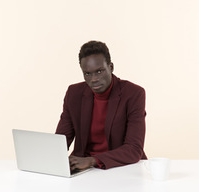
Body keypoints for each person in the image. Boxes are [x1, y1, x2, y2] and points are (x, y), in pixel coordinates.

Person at [55, 40, 147, 170]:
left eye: (99, 71)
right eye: (87, 73)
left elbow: (133, 149)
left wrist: (92, 160)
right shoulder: (74, 93)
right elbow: (60, 141)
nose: (93, 79)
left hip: (119, 167)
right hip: (82, 168)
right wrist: (47, 157)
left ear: (111, 67)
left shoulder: (133, 94)